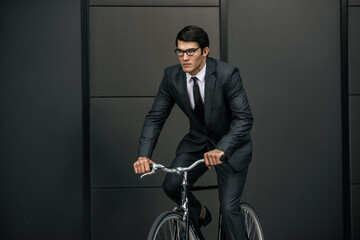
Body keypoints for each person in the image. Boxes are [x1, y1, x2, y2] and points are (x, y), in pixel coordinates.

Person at [133, 25, 253, 240]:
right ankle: (199, 214)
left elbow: (244, 118)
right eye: (180, 51)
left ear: (205, 51)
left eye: (191, 51)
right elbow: (155, 117)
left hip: (231, 148)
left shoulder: (227, 74)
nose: (184, 57)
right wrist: (144, 154)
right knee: (171, 185)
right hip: (197, 142)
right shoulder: (171, 76)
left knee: (228, 209)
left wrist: (221, 149)